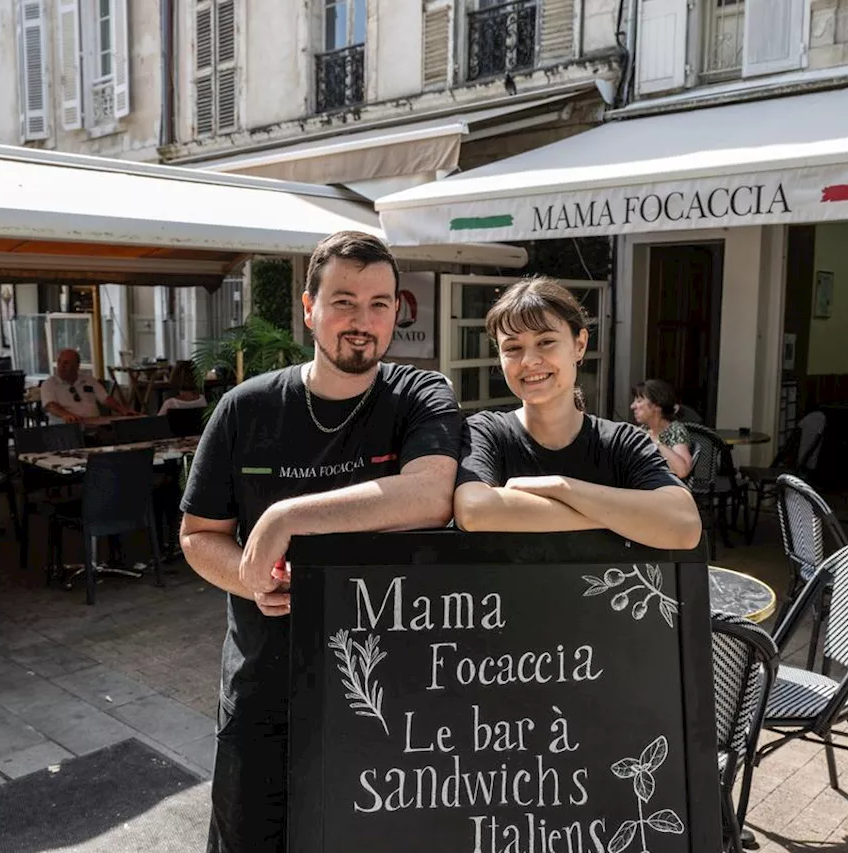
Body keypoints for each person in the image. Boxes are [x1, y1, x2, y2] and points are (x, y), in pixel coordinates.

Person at [178, 231, 461, 853]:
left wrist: (285, 516)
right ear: (308, 308)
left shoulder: (419, 397)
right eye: (343, 302)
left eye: (379, 304)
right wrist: (247, 578)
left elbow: (432, 493)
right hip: (265, 686)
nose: (362, 322)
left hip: (392, 694)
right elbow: (199, 536)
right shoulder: (243, 409)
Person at [454, 277, 702, 550]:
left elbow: (684, 525)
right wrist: (620, 518)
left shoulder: (623, 442)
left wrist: (561, 487)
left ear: (579, 345)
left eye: (546, 341)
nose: (529, 361)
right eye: (512, 348)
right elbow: (474, 510)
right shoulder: (486, 432)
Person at [40, 348, 136, 424]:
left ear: (77, 366)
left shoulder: (89, 380)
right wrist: (66, 415)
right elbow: (50, 406)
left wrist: (122, 410)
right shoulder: (49, 384)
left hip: (94, 425)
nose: (61, 366)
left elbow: (105, 398)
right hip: (66, 427)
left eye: (66, 363)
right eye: (59, 362)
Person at [630, 378, 694, 479]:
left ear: (656, 406)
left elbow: (682, 471)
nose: (632, 406)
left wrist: (655, 441)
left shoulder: (675, 430)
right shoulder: (643, 429)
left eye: (639, 401)